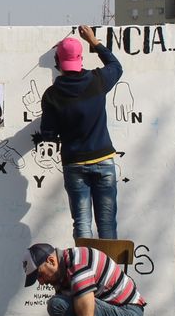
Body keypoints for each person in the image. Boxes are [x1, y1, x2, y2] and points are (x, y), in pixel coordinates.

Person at [39, 24, 124, 239]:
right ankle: (107, 272)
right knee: (107, 226)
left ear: (58, 63)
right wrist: (93, 41)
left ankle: (84, 271)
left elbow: (48, 133)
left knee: (82, 225)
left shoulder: (52, 95)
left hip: (74, 164)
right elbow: (116, 66)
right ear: (81, 59)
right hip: (103, 160)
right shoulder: (98, 81)